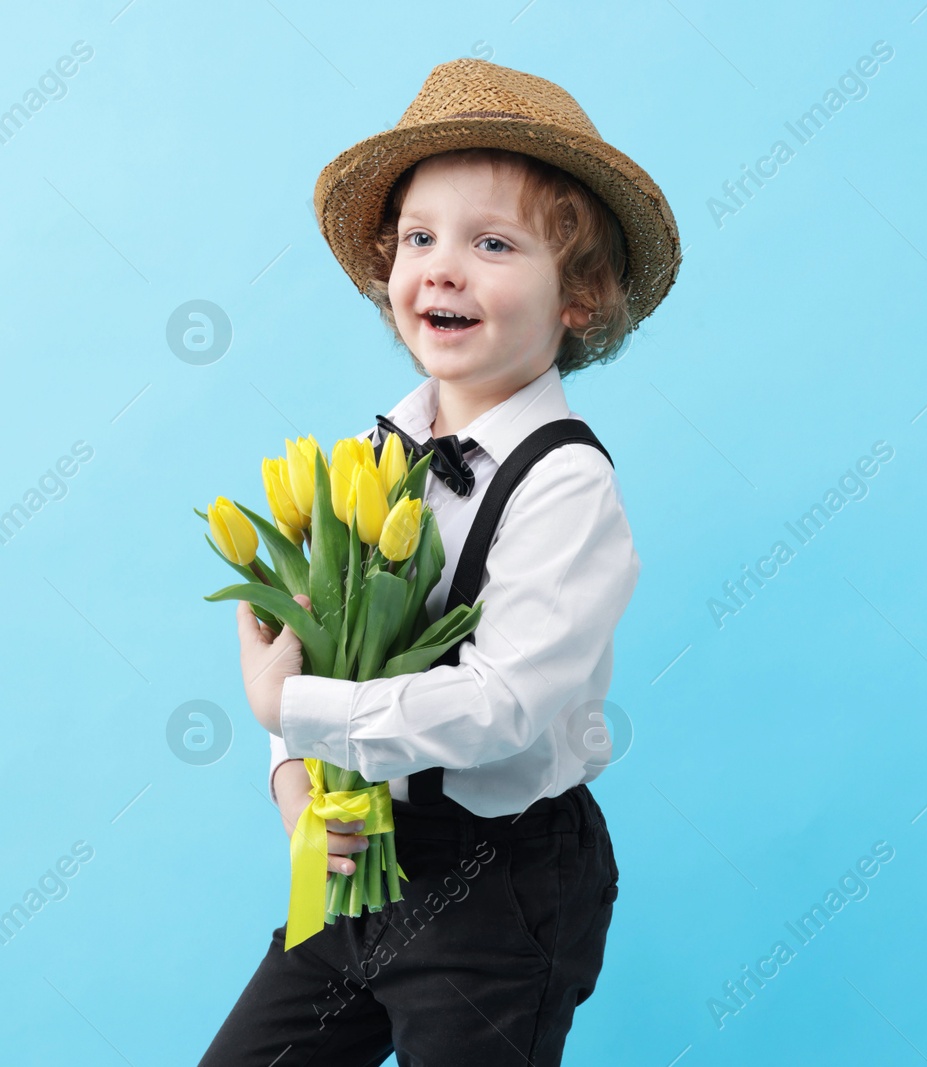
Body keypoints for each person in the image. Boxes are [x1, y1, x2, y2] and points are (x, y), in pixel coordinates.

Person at [199, 58, 680, 1066]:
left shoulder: (565, 486)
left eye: (492, 243)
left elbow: (501, 702)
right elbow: (302, 645)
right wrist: (295, 785)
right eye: (419, 238)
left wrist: (294, 709)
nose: (442, 267)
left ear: (580, 295)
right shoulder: (368, 457)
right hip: (353, 848)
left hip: (497, 885)